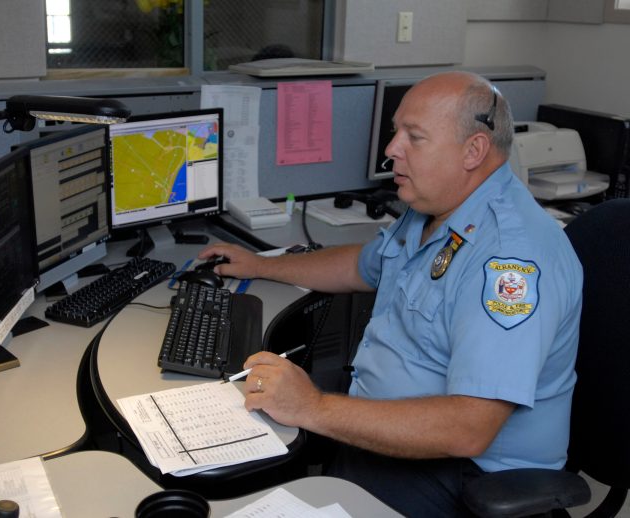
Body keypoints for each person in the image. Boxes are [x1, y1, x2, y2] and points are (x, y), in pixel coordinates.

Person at [199, 71, 583, 516]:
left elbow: (468, 429)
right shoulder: (434, 209)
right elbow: (360, 264)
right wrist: (262, 265)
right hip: (388, 423)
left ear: (473, 151)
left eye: (413, 137)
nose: (391, 149)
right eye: (395, 131)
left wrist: (314, 406)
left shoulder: (509, 260)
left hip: (468, 472)